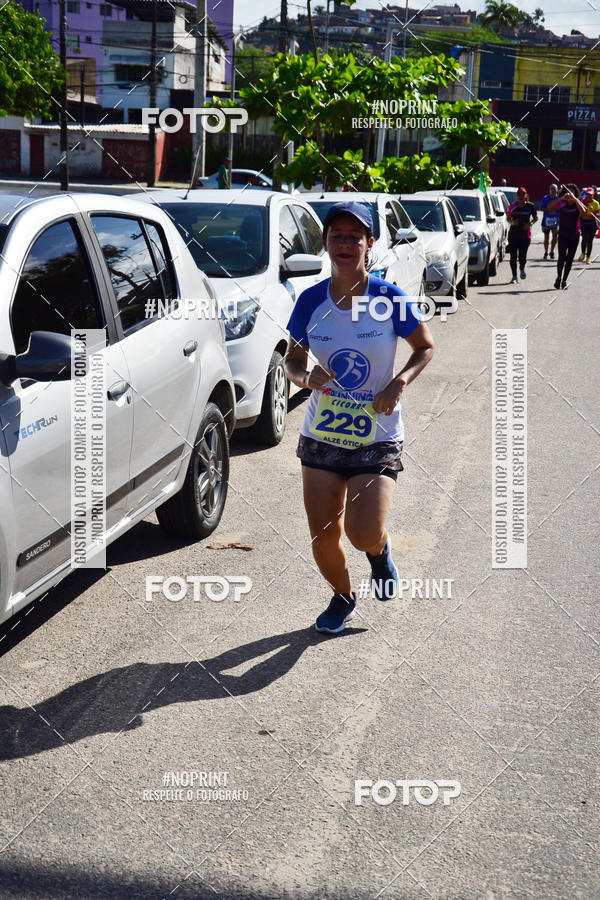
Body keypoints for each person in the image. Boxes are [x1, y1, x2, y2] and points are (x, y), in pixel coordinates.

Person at [283, 201, 435, 634]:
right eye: (337, 237)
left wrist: (399, 383)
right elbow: (293, 359)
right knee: (323, 535)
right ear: (325, 244)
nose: (345, 244)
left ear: (370, 244)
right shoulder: (311, 300)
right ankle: (342, 596)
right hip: (322, 434)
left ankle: (379, 553)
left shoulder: (388, 299)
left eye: (355, 236)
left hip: (377, 434)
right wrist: (303, 376)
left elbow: (424, 346)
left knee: (362, 532)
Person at [547, 183, 587, 289]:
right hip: (563, 234)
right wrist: (561, 199)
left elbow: (583, 214)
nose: (569, 193)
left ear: (575, 193)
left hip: (574, 235)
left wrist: (576, 200)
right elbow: (549, 207)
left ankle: (564, 280)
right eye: (567, 191)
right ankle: (559, 278)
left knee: (569, 259)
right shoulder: (562, 203)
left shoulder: (578, 203)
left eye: (571, 191)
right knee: (561, 258)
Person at [506, 187, 538, 284]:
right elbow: (507, 218)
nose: (520, 196)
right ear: (516, 196)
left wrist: (530, 224)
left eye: (522, 194)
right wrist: (512, 222)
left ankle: (522, 267)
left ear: (526, 196)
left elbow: (536, 218)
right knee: (513, 256)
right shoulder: (512, 206)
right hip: (513, 235)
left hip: (525, 235)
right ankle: (514, 276)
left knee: (522, 257)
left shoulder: (530, 206)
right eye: (519, 194)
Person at [578, 188, 600, 264]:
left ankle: (588, 257)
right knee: (584, 239)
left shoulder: (596, 203)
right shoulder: (582, 202)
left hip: (592, 223)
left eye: (590, 195)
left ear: (593, 195)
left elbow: (597, 215)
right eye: (587, 194)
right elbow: (581, 214)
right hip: (584, 222)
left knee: (590, 240)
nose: (588, 196)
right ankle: (583, 253)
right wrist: (587, 215)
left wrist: (593, 211)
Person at [539, 183, 559, 260]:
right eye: (552, 189)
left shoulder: (558, 198)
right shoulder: (546, 198)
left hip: (555, 220)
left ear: (557, 190)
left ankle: (552, 251)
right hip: (546, 220)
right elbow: (540, 208)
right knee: (546, 238)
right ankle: (546, 252)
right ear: (549, 190)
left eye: (555, 189)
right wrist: (548, 209)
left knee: (555, 236)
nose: (553, 191)